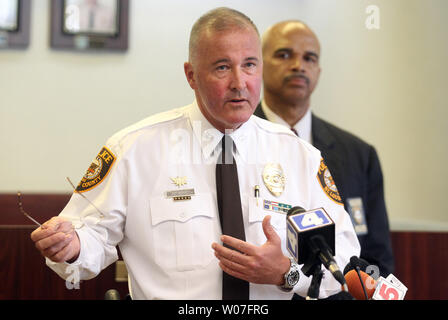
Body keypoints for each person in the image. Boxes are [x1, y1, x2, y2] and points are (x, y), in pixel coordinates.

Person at [30, 8, 360, 300]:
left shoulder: (299, 156)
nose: (239, 83)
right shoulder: (134, 149)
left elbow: (344, 258)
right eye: (221, 67)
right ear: (191, 75)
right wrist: (70, 248)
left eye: (249, 65)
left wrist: (285, 273)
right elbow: (88, 238)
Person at [256, 20, 394, 278]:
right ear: (259, 66)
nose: (298, 65)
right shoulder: (231, 141)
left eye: (309, 58)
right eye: (284, 55)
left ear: (318, 71)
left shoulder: (359, 155)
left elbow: (377, 260)